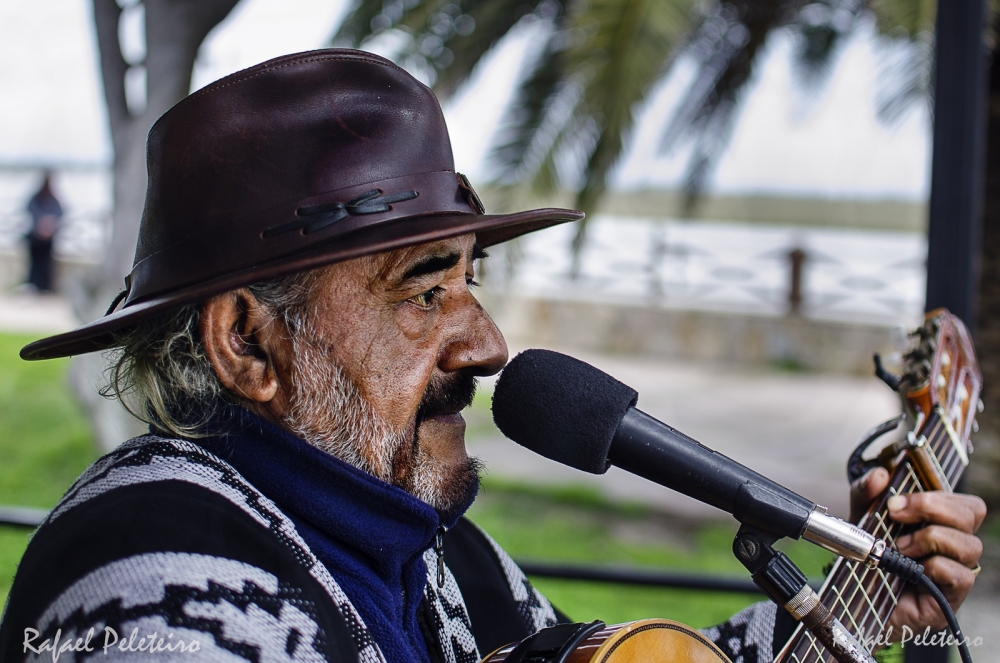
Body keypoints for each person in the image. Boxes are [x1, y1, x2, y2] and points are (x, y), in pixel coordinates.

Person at [3, 50, 984, 663]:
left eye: (473, 283)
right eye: (425, 292)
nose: (486, 344)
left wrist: (858, 597)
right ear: (249, 343)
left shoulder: (432, 548)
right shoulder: (141, 569)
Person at [24, 171, 63, 293]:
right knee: (35, 262)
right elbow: (31, 210)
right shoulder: (36, 197)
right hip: (36, 237)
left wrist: (50, 225)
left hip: (48, 238)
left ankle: (45, 286)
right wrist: (40, 225)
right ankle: (33, 284)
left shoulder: (53, 199)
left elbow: (60, 213)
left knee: (46, 263)